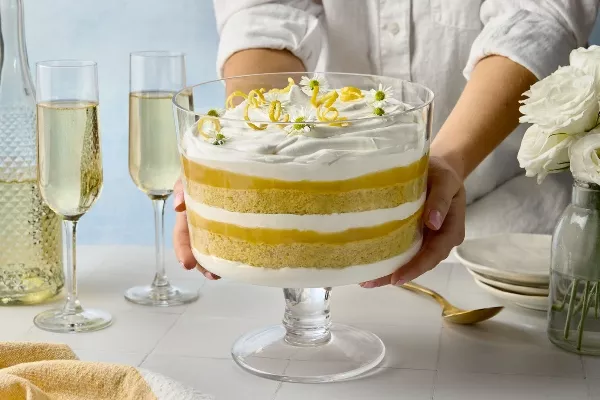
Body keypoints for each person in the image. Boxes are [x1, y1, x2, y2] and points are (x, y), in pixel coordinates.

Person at [173, 0, 599, 288]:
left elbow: (536, 16)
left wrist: (446, 162)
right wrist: (247, 150)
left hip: (512, 224)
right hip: (313, 189)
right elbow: (266, 13)